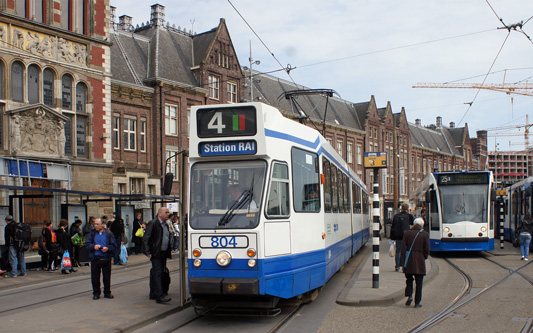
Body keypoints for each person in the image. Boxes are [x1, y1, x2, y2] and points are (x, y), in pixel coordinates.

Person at [144, 207, 172, 304]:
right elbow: (146, 238)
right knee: (158, 272)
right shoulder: (154, 223)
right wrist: (148, 252)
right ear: (160, 214)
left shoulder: (165, 224)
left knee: (158, 272)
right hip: (156, 253)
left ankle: (154, 293)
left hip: (163, 253)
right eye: (166, 212)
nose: (168, 214)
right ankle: (159, 296)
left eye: (168, 212)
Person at [400, 217, 430, 308]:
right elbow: (427, 248)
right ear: (422, 225)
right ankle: (417, 302)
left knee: (409, 279)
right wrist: (424, 257)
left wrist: (402, 262)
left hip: (408, 260)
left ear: (414, 224)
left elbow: (403, 248)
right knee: (419, 282)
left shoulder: (407, 233)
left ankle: (409, 296)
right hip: (419, 259)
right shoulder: (425, 234)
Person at [86, 218, 116, 300]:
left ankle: (107, 292)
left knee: (106, 277)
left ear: (103, 225)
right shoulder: (92, 234)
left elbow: (114, 245)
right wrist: (93, 246)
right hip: (95, 258)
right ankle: (96, 293)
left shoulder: (109, 234)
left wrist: (108, 248)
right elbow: (87, 244)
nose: (95, 226)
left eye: (97, 224)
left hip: (106, 258)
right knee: (95, 277)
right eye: (94, 224)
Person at [390, 203, 414, 271]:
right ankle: (404, 266)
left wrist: (392, 237)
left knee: (398, 251)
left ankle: (397, 266)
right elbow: (412, 223)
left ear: (401, 208)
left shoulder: (396, 216)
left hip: (398, 236)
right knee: (406, 251)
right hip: (406, 236)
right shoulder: (409, 216)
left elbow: (393, 226)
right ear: (407, 209)